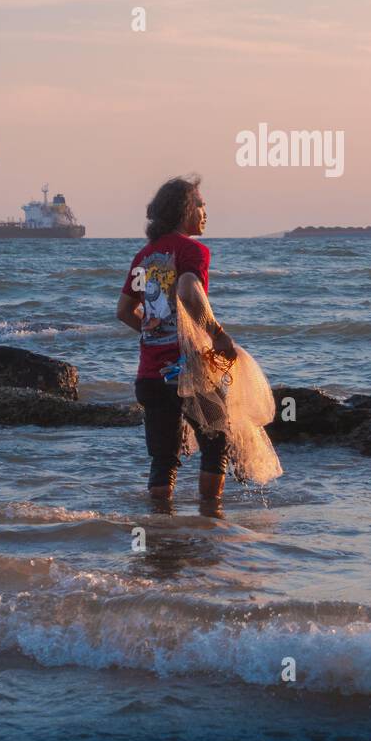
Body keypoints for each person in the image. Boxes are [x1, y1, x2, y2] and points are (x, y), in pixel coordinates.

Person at [116, 175, 237, 501]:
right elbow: (187, 290)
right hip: (189, 370)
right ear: (185, 210)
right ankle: (211, 521)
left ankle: (160, 529)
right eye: (200, 204)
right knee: (216, 442)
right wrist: (219, 335)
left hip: (150, 376)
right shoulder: (192, 250)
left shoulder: (144, 256)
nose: (205, 211)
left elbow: (125, 310)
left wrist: (154, 331)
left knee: (163, 459)